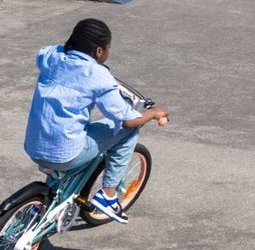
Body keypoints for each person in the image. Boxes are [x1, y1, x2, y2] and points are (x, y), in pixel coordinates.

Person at [23, 19, 169, 224]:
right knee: (125, 132)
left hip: (33, 146)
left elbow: (49, 53)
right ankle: (108, 197)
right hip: (65, 153)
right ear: (99, 51)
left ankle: (42, 209)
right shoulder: (98, 76)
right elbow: (127, 120)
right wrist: (153, 113)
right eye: (108, 48)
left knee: (73, 129)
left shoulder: (50, 56)